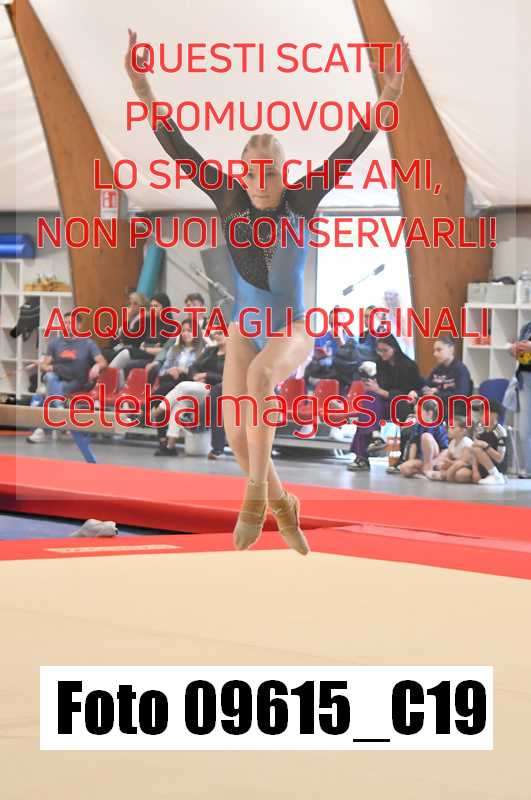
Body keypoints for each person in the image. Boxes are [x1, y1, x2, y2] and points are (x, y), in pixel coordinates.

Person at [126, 29, 411, 553]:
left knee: (261, 377)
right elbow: (178, 147)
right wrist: (144, 91)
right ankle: (284, 503)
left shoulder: (302, 200)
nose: (261, 181)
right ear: (242, 171)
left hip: (293, 328)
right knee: (236, 435)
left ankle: (255, 498)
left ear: (284, 172)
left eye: (271, 171)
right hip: (245, 328)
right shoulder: (227, 197)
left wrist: (387, 98)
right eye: (253, 171)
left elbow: (351, 146)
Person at [27, 311, 107, 443]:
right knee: (50, 377)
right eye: (65, 323)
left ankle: (42, 429)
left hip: (76, 382)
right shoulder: (55, 343)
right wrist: (48, 367)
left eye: (71, 323)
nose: (67, 326)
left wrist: (97, 366)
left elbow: (103, 362)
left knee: (47, 392)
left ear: (79, 325)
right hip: (57, 379)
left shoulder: (88, 343)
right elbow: (44, 366)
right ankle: (59, 410)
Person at [348, 334, 422, 471]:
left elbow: (405, 395)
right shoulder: (379, 364)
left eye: (385, 350)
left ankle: (363, 455)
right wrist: (372, 387)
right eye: (379, 350)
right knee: (368, 401)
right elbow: (378, 389)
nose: (381, 353)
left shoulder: (408, 366)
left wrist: (379, 390)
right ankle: (374, 436)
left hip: (402, 405)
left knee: (367, 413)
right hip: (383, 404)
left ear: (394, 348)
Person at [154, 329, 226, 455]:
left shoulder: (233, 357)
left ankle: (158, 410)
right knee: (180, 403)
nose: (218, 336)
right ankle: (170, 446)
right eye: (216, 333)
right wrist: (195, 376)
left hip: (215, 391)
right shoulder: (210, 350)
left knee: (183, 386)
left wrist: (207, 375)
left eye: (221, 333)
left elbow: (228, 379)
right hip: (198, 386)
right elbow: (193, 366)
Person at [109, 292, 175, 385]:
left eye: (156, 306)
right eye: (151, 306)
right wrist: (127, 320)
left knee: (126, 354)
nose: (153, 309)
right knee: (121, 354)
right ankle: (111, 385)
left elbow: (164, 350)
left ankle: (107, 381)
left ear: (165, 308)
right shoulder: (148, 321)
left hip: (155, 357)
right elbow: (129, 339)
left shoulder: (170, 326)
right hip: (142, 352)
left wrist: (146, 348)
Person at [451, 399, 508, 486]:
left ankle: (496, 476)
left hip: (496, 466)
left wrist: (486, 446)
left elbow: (499, 458)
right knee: (460, 475)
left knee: (478, 448)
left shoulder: (500, 431)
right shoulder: (480, 427)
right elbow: (474, 449)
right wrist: (475, 470)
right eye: (481, 412)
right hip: (481, 464)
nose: (481, 415)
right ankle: (485, 477)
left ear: (494, 415)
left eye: (484, 412)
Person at [417, 335, 472, 419]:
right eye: (434, 351)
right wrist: (416, 393)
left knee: (427, 412)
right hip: (438, 405)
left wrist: (437, 394)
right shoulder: (437, 369)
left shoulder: (460, 369)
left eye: (439, 350)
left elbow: (461, 395)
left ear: (451, 349)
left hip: (454, 408)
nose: (435, 354)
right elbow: (426, 386)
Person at [398, 398, 449, 478]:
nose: (416, 415)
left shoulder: (438, 427)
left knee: (426, 436)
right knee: (404, 468)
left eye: (418, 412)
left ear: (429, 414)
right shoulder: (417, 426)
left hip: (434, 460)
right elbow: (413, 445)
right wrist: (411, 461)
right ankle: (426, 471)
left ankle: (429, 469)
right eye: (415, 412)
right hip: (422, 460)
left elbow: (445, 449)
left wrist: (434, 462)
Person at [509, 319, 531, 478]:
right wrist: (514, 350)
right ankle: (530, 469)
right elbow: (524, 357)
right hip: (526, 379)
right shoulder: (528, 327)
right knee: (526, 430)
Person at [99, 291, 148, 364]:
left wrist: (127, 319)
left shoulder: (143, 320)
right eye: (130, 303)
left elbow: (127, 339)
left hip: (130, 351)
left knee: (98, 354)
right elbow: (113, 340)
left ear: (142, 306)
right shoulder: (133, 319)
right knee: (96, 352)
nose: (131, 306)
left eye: (135, 304)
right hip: (118, 348)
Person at [427, 417, 473, 481]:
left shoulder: (467, 442)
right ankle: (445, 475)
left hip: (465, 466)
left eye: (453, 428)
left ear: (463, 430)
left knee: (460, 475)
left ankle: (447, 475)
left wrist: (449, 463)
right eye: (449, 428)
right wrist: (445, 463)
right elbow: (447, 458)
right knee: (440, 465)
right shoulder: (452, 442)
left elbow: (463, 462)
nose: (449, 430)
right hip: (454, 464)